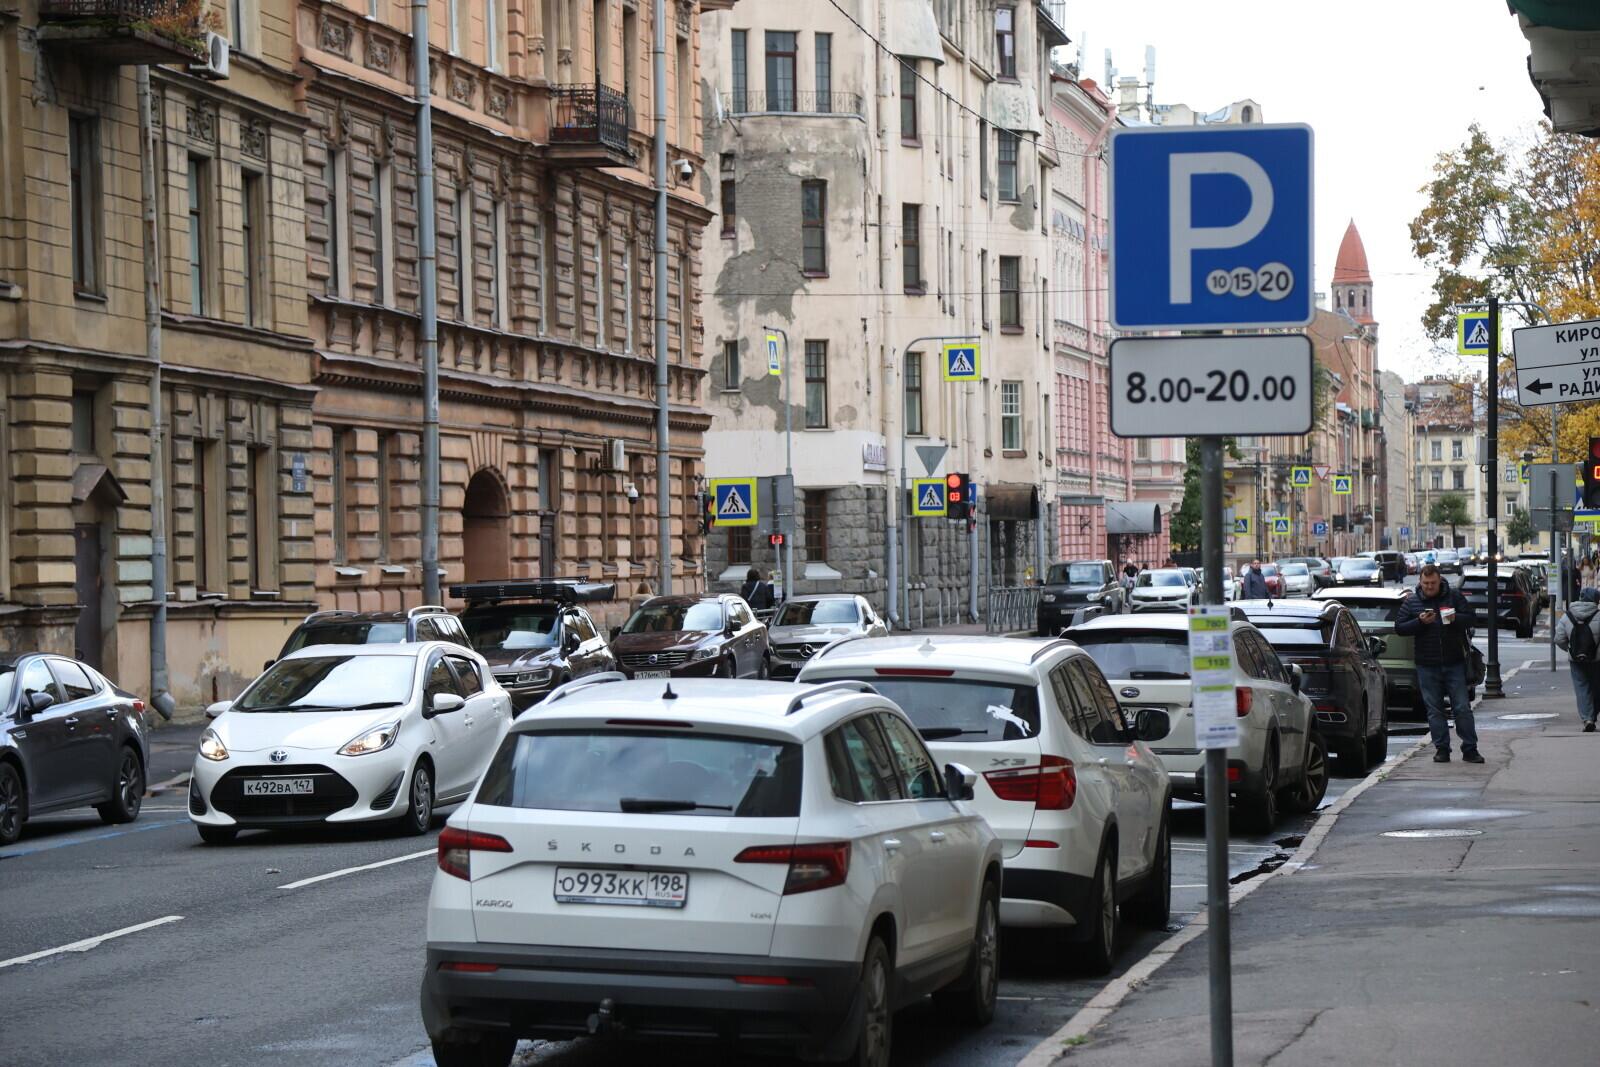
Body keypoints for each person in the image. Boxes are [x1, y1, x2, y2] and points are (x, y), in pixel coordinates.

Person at [1396, 564, 1481, 763]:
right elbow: (1399, 627)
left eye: (1432, 583)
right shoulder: (1412, 601)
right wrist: (1419, 622)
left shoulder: (1454, 596)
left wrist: (1455, 618)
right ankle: (1442, 749)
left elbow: (1471, 618)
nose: (1429, 587)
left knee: (1462, 707)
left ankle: (1470, 749)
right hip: (1426, 664)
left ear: (1439, 580)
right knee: (1434, 709)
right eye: (1426, 583)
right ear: (1420, 582)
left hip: (1454, 662)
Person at [1556, 588, 1600, 732]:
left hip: (1576, 660)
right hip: (1597, 660)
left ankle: (1587, 718)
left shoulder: (1567, 616)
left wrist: (1571, 650)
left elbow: (1559, 639)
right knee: (1597, 687)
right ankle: (1593, 715)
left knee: (1581, 687)